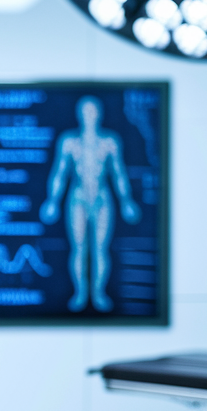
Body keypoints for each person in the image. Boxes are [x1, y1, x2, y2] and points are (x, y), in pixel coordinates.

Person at [39, 95, 140, 312]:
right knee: (79, 249)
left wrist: (126, 201)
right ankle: (81, 293)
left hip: (102, 198)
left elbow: (119, 174)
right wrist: (52, 201)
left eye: (92, 111)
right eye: (85, 111)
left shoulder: (109, 141)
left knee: (100, 249)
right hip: (77, 198)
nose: (89, 116)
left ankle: (99, 293)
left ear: (99, 114)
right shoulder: (69, 141)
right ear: (79, 114)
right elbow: (59, 173)